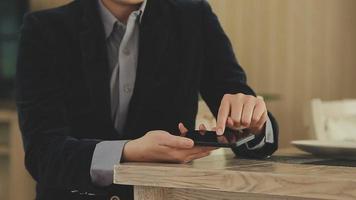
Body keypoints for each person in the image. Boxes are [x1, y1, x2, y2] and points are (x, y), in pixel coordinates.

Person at [16, 0, 279, 199]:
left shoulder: (193, 16)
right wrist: (127, 152)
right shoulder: (45, 30)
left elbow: (238, 102)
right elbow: (43, 154)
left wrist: (253, 123)